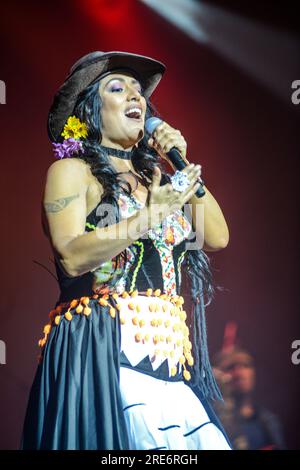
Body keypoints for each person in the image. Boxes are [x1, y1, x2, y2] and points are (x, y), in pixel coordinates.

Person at [21, 51, 231, 450]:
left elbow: (217, 236)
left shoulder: (159, 179)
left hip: (168, 365)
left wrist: (179, 162)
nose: (136, 98)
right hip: (103, 354)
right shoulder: (72, 171)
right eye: (118, 89)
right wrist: (148, 216)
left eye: (140, 92)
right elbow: (70, 255)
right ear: (89, 111)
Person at [213, 347, 286, 450]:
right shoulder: (212, 422)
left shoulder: (269, 421)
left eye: (245, 365)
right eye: (231, 367)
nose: (239, 373)